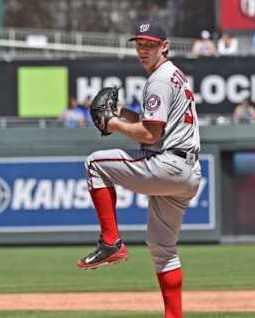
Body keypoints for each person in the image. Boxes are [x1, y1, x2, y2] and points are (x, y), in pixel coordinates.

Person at [77, 21, 201, 318]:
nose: (143, 50)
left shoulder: (158, 79)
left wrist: (114, 124)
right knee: (162, 248)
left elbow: (150, 135)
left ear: (165, 46)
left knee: (95, 163)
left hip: (167, 164)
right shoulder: (175, 76)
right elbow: (154, 123)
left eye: (150, 45)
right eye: (140, 45)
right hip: (187, 172)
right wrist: (121, 113)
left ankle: (111, 241)